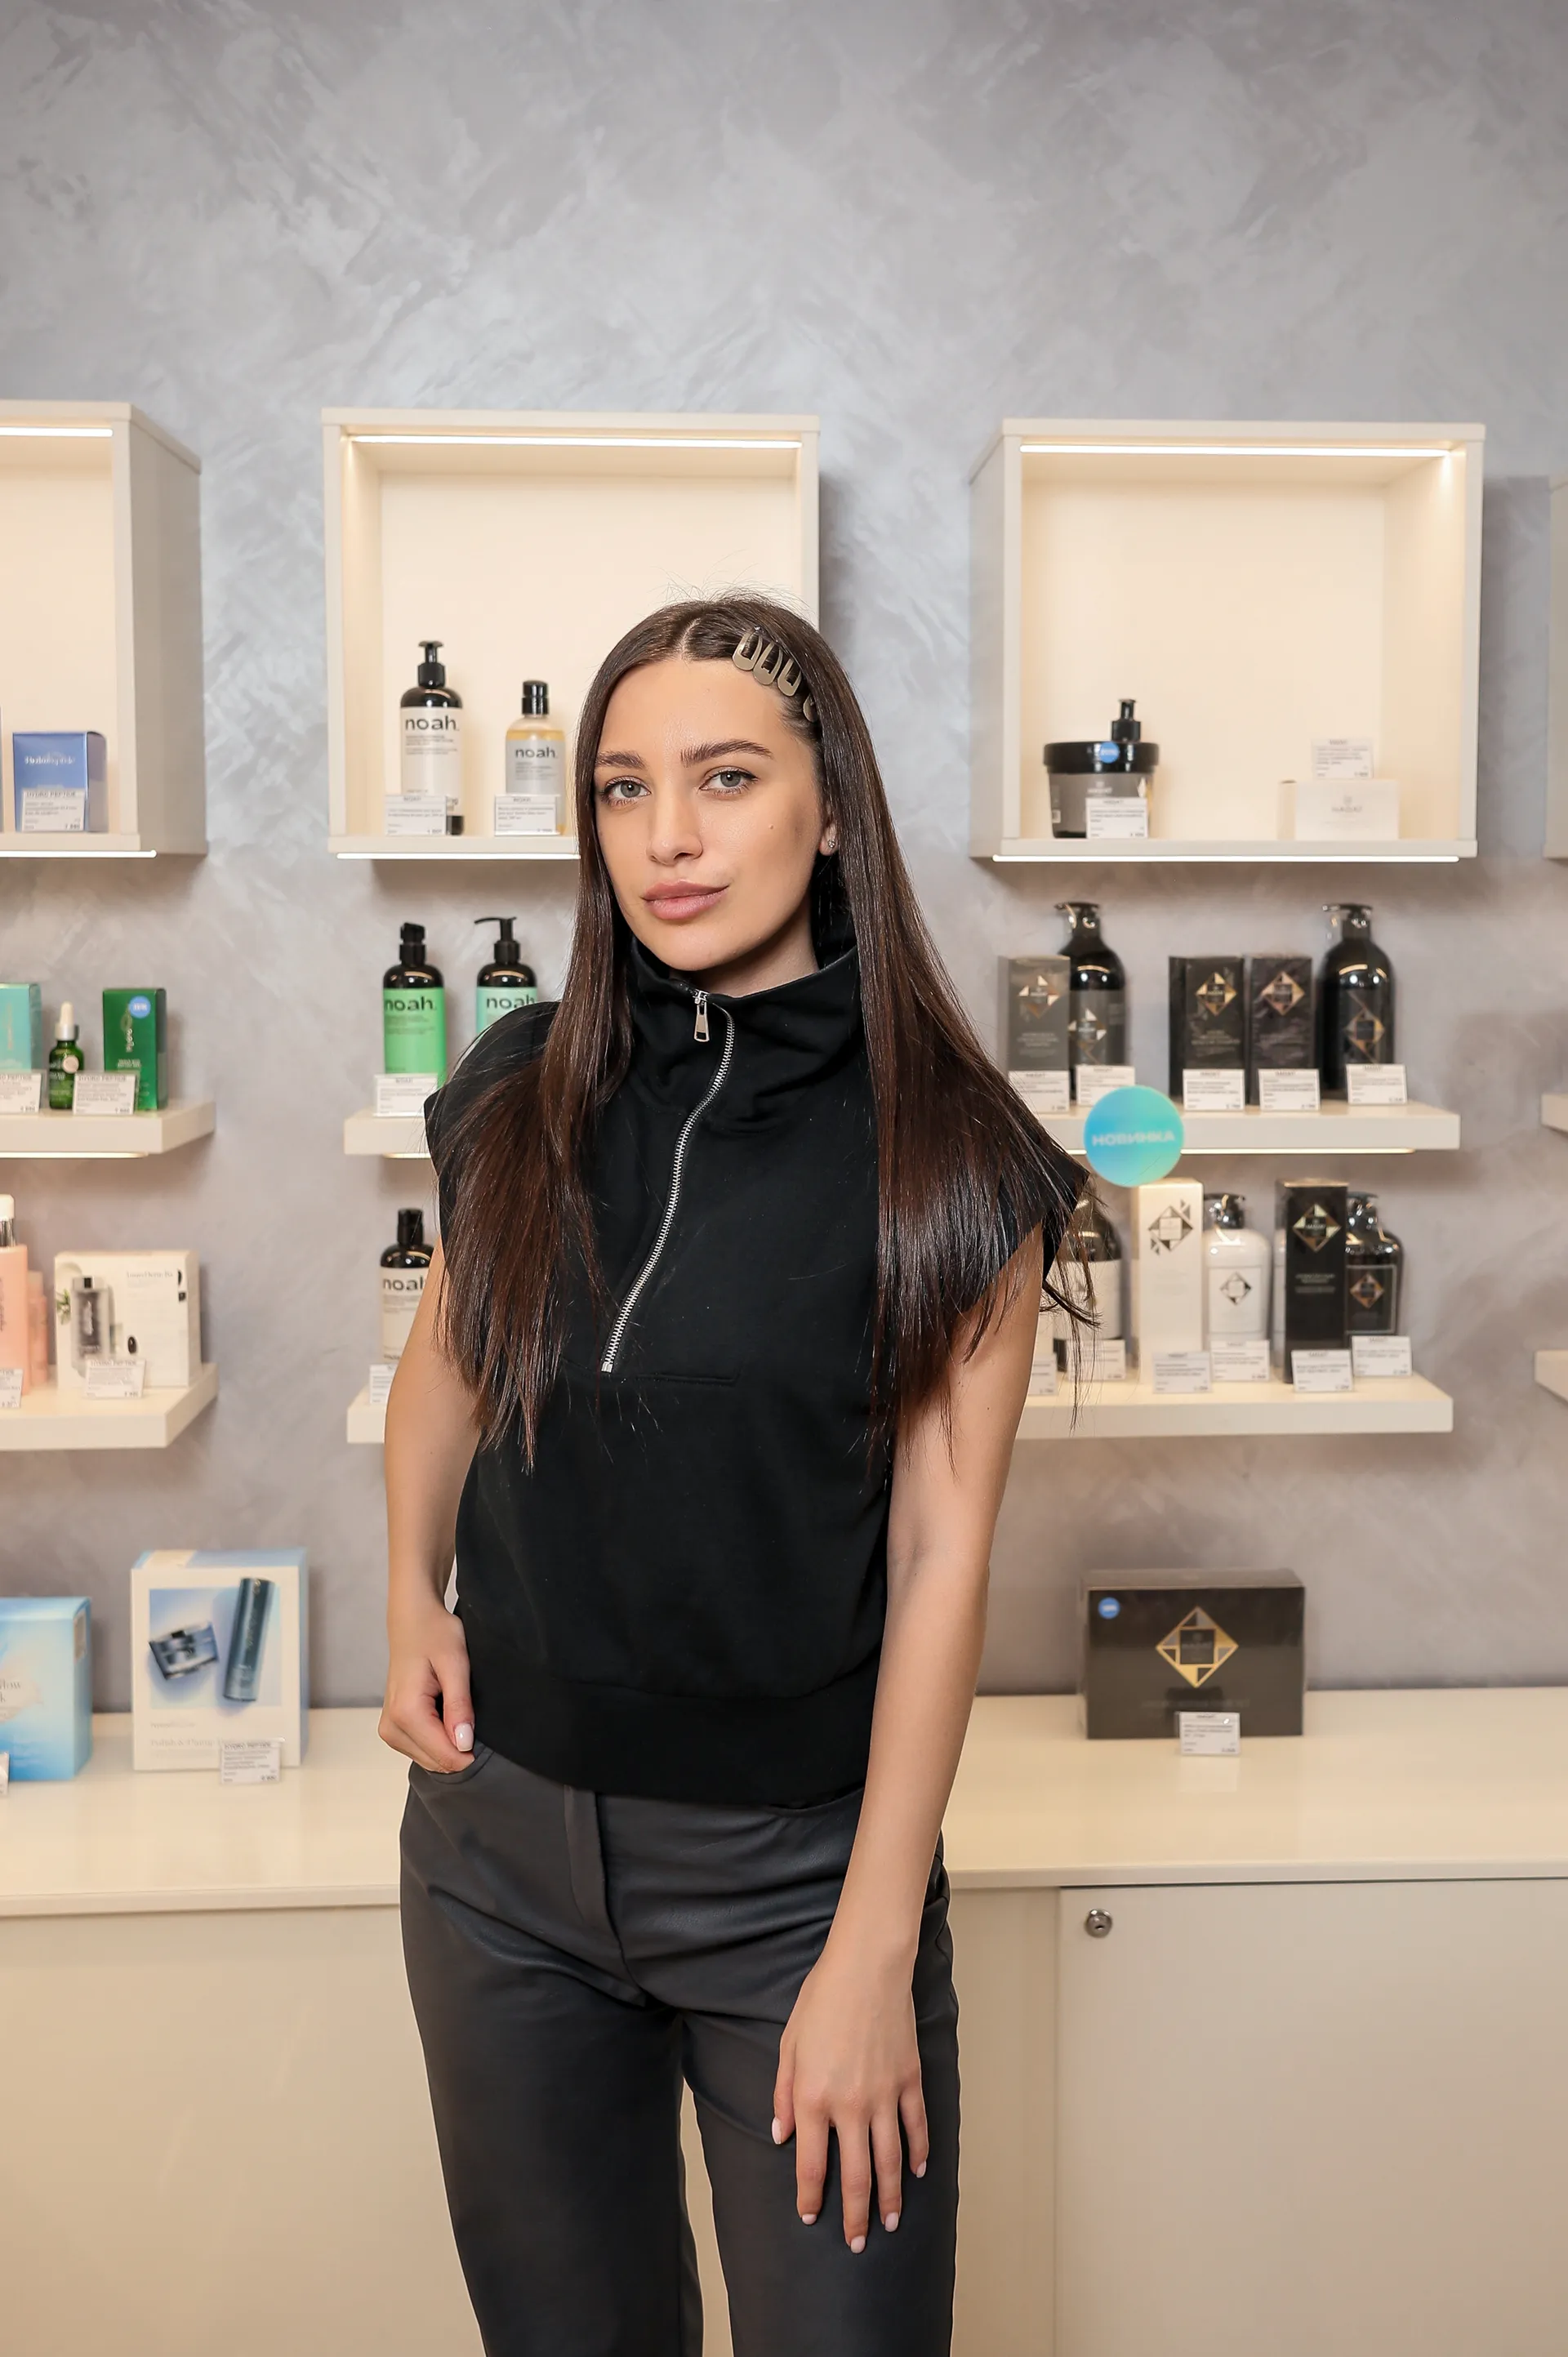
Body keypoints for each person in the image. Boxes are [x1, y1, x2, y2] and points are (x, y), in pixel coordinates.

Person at [380, 595, 1083, 2357]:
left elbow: (939, 1561)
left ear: (831, 808)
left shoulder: (955, 1158)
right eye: (624, 788)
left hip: (793, 1889)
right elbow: (449, 1363)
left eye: (726, 777)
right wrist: (407, 1591)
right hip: (493, 1862)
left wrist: (869, 1951)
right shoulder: (520, 1089)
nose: (668, 836)